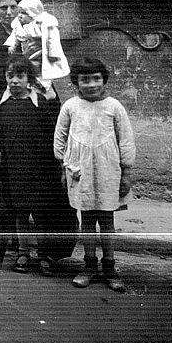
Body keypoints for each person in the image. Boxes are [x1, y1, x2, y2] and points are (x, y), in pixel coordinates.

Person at [0, 56, 75, 275]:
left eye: (20, 76)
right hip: (12, 168)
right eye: (10, 76)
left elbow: (56, 129)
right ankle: (23, 251)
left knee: (41, 212)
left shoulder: (40, 102)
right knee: (20, 212)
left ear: (29, 79)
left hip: (39, 167)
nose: (14, 81)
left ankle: (43, 254)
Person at [54, 58, 135, 293]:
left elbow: (126, 140)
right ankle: (88, 266)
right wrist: (63, 167)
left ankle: (109, 267)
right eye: (85, 80)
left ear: (104, 80)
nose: (91, 85)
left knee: (107, 221)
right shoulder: (70, 106)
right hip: (79, 171)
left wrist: (126, 173)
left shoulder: (114, 107)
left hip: (108, 171)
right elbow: (60, 137)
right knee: (87, 221)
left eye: (96, 79)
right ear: (76, 83)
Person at [5, 0, 69, 98]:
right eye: (19, 12)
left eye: (24, 13)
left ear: (33, 13)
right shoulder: (19, 24)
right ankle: (33, 88)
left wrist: (52, 53)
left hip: (41, 52)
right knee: (27, 69)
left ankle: (44, 88)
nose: (20, 16)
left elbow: (52, 39)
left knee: (39, 69)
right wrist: (12, 45)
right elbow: (14, 35)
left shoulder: (44, 23)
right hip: (26, 53)